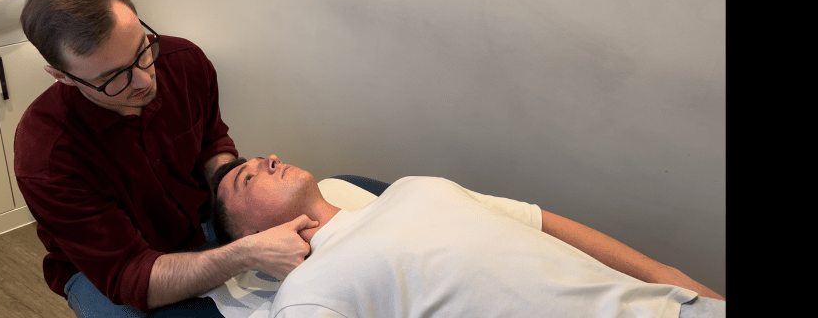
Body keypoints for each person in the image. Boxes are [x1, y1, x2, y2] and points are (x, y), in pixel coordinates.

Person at [13, 0, 316, 318]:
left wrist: (238, 188)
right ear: (62, 76)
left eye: (142, 51)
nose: (144, 81)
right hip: (106, 270)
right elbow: (130, 276)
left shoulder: (184, 61)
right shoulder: (46, 157)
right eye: (112, 78)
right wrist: (246, 253)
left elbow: (211, 142)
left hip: (198, 223)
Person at [211, 155, 726, 318]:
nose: (268, 159)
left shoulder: (413, 187)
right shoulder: (310, 291)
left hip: (673, 308)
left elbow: (543, 223)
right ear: (251, 235)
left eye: (260, 159)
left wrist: (673, 279)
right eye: (247, 178)